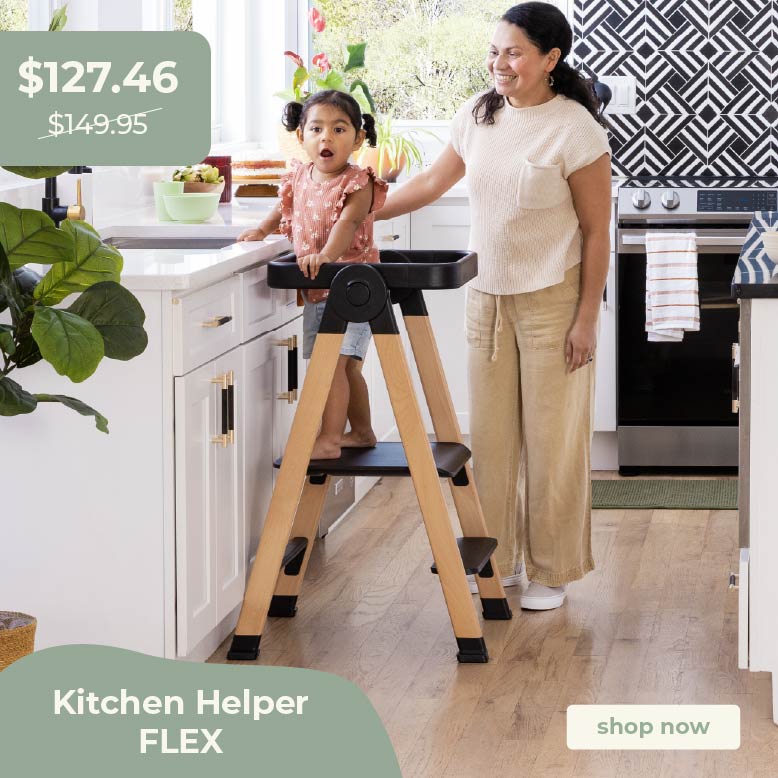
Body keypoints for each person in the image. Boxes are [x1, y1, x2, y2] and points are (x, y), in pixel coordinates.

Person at [376, 3, 611, 610]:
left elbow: (595, 232)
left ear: (549, 60)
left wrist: (587, 317)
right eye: (494, 51)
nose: (498, 64)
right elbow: (432, 183)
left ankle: (553, 572)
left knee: (554, 441)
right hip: (486, 298)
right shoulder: (476, 115)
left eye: (513, 53)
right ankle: (499, 560)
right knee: (492, 439)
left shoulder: (576, 129)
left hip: (552, 299)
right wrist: (359, 214)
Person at [238, 90, 388, 460]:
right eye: (316, 128)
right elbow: (281, 209)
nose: (327, 138)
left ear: (358, 139)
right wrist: (261, 230)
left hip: (353, 287)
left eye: (339, 129)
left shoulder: (358, 181)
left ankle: (330, 438)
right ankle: (363, 431)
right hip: (319, 288)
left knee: (332, 364)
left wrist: (324, 256)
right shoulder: (298, 176)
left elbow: (348, 223)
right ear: (301, 136)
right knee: (346, 367)